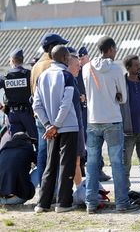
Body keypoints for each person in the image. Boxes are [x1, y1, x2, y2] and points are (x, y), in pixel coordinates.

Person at [82, 36, 138, 214]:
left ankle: (90, 203)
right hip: (113, 120)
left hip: (92, 121)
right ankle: (122, 203)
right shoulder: (115, 69)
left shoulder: (86, 68)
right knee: (116, 164)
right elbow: (124, 98)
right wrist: (116, 95)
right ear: (111, 49)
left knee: (91, 164)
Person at [33, 45, 79, 213]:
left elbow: (36, 105)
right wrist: (56, 125)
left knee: (50, 164)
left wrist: (47, 125)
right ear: (64, 58)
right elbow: (66, 103)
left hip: (50, 128)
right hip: (67, 126)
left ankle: (42, 203)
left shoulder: (41, 76)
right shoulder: (66, 75)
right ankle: (63, 203)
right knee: (66, 164)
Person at [31, 33, 69, 185]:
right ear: (53, 48)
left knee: (42, 153)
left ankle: (43, 188)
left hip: (39, 116)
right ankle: (54, 191)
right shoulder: (52, 66)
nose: (64, 50)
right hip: (52, 117)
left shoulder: (35, 67)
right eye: (61, 45)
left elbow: (32, 94)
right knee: (55, 154)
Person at [119, 55, 140, 193]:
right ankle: (125, 191)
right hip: (127, 131)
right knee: (125, 164)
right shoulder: (121, 83)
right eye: (136, 65)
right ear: (128, 67)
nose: (139, 67)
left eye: (139, 65)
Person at [78, 46, 111, 182]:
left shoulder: (93, 70)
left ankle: (98, 169)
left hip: (92, 110)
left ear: (88, 57)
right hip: (82, 111)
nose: (81, 61)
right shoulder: (78, 71)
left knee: (95, 140)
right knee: (86, 141)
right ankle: (85, 168)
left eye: (83, 58)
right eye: (79, 58)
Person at [0, 48, 37, 139]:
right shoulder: (29, 74)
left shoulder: (5, 77)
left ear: (12, 60)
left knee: (15, 142)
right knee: (35, 140)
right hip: (28, 114)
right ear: (22, 59)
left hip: (12, 115)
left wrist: (1, 107)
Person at [66, 47, 86, 187]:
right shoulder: (67, 80)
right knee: (74, 161)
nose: (79, 68)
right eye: (77, 66)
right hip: (71, 126)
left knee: (77, 161)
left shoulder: (73, 79)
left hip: (76, 124)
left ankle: (78, 189)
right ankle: (77, 190)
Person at [0, 132, 37, 205]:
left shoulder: (3, 151)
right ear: (26, 141)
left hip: (0, 200)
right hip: (18, 198)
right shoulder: (27, 148)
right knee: (39, 168)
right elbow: (38, 161)